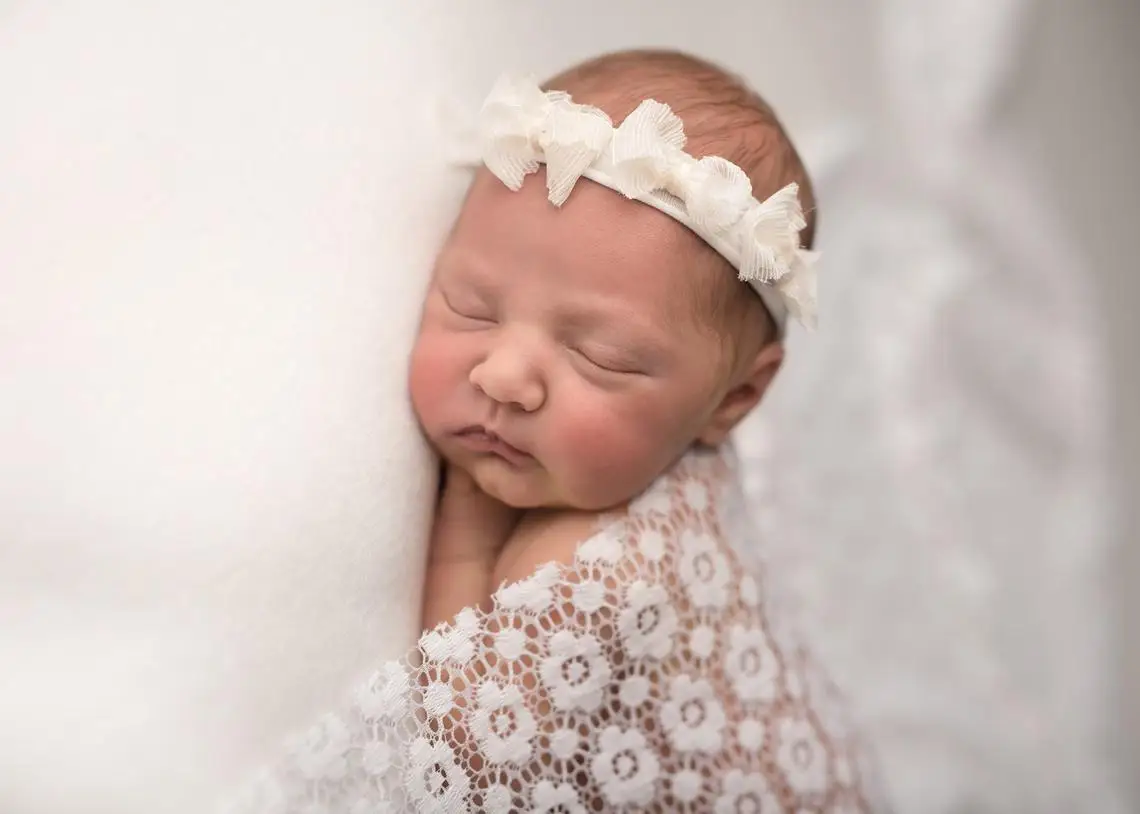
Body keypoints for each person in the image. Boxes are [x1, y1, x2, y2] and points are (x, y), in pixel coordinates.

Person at [226, 49, 879, 813]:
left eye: (599, 356)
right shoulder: (615, 460)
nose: (504, 376)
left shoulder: (602, 573)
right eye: (470, 305)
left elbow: (459, 752)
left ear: (733, 400)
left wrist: (468, 513)